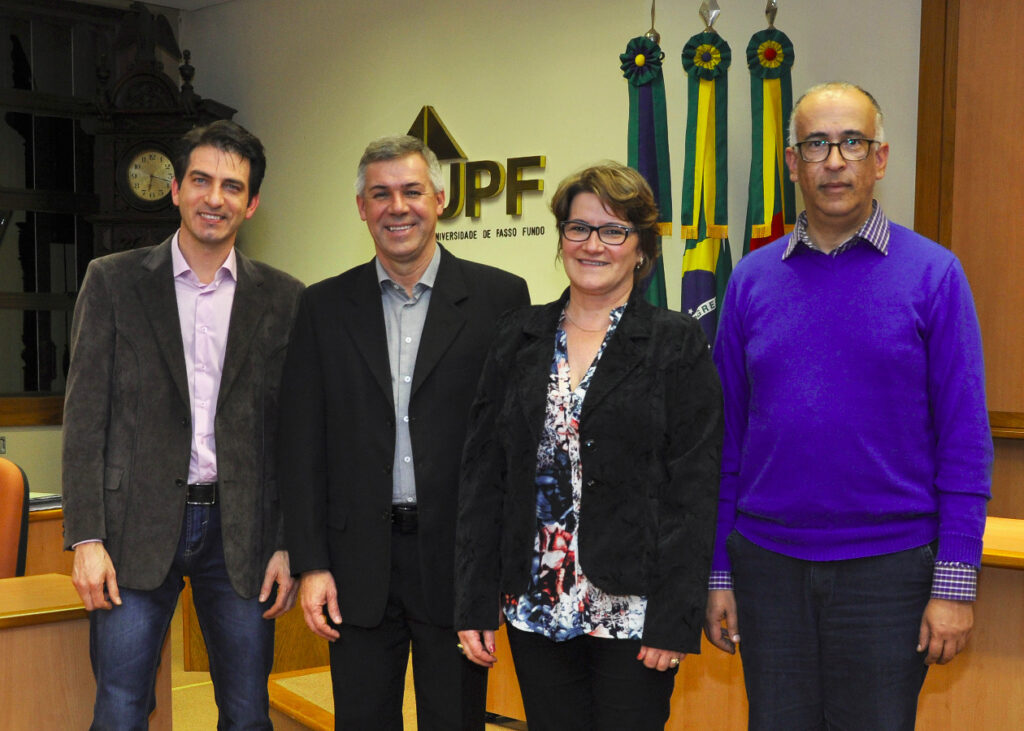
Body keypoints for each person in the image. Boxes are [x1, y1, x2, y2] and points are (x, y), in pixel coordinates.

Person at [704, 82, 993, 730]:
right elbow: (725, 441)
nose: (834, 161)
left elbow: (966, 442)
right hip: (768, 570)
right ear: (792, 163)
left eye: (852, 142)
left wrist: (954, 582)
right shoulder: (750, 280)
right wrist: (719, 570)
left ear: (879, 158)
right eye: (816, 144)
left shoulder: (935, 275)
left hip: (890, 574)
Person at [455, 162, 723, 730]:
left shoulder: (675, 342)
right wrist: (475, 600)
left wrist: (675, 619)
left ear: (642, 247)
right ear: (561, 238)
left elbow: (694, 488)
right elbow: (484, 476)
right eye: (578, 228)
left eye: (614, 230)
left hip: (635, 610)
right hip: (536, 602)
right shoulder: (518, 336)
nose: (593, 245)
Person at [277, 134, 530, 730]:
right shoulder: (322, 306)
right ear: (361, 207)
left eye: (412, 191)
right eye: (381, 194)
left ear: (439, 200)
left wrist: (498, 569)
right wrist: (312, 564)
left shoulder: (501, 298)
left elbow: (514, 446)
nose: (398, 207)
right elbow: (301, 444)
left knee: (455, 720)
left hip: (457, 563)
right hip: (355, 564)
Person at [62, 119, 304, 729]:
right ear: (175, 189)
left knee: (247, 713)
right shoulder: (112, 281)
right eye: (200, 180)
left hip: (243, 534)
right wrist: (86, 537)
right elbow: (85, 418)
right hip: (132, 528)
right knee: (121, 709)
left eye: (232, 186)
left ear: (252, 203)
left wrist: (286, 542)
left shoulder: (284, 299)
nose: (213, 198)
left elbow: (293, 435)